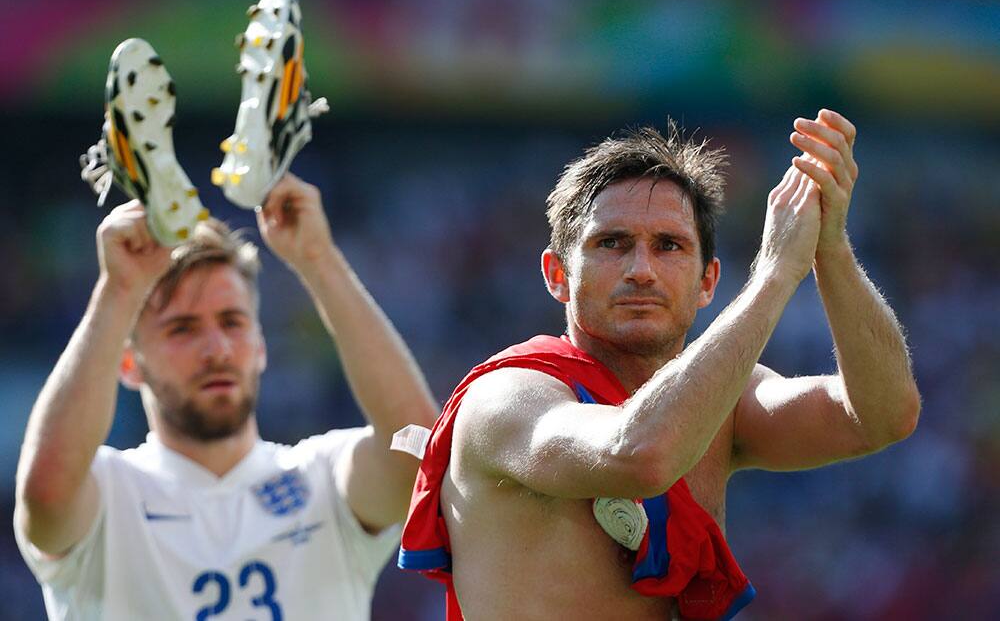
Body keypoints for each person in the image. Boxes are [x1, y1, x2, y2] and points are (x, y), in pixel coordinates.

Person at [399, 110, 921, 619]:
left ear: (708, 283)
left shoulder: (724, 397)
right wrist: (773, 275)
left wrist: (828, 248)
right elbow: (640, 454)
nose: (642, 270)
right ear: (557, 274)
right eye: (612, 243)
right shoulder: (508, 397)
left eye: (668, 246)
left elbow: (882, 414)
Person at [15, 174, 438, 620]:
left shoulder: (322, 478)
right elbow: (46, 493)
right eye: (182, 328)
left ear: (260, 346)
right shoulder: (107, 492)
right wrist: (119, 291)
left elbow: (416, 454)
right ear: (128, 364)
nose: (216, 349)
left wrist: (319, 259)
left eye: (232, 322)